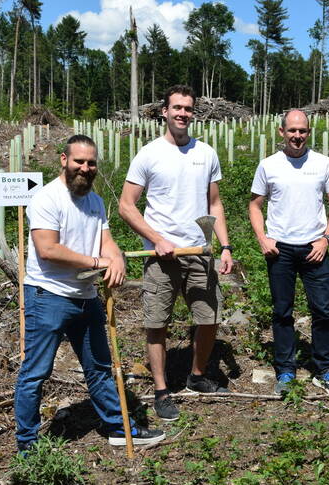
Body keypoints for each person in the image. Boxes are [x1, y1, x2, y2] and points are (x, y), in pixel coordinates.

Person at [14, 135, 165, 453]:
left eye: (91, 163)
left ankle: (118, 427)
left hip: (85, 296)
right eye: (79, 161)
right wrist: (99, 261)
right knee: (36, 373)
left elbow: (105, 239)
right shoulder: (47, 199)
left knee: (98, 367)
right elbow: (48, 249)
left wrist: (116, 257)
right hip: (48, 296)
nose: (85, 168)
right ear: (63, 160)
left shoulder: (94, 201)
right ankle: (28, 446)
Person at [118, 85, 233, 421]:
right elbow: (127, 206)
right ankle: (161, 390)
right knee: (157, 323)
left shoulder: (206, 153)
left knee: (209, 316)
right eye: (177, 108)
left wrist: (224, 247)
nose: (183, 113)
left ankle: (197, 377)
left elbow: (214, 203)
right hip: (161, 256)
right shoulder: (149, 154)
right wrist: (156, 239)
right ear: (164, 113)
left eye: (188, 108)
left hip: (200, 251)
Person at [248, 109, 329, 395]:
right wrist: (262, 238)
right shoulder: (269, 165)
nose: (297, 136)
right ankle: (286, 370)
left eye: (302, 131)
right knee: (282, 311)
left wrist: (326, 238)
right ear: (282, 132)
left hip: (315, 248)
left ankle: (325, 368)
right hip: (281, 250)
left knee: (323, 310)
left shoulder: (323, 163)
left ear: (309, 132)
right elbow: (255, 205)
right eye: (292, 130)